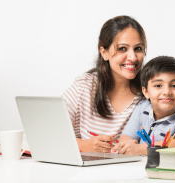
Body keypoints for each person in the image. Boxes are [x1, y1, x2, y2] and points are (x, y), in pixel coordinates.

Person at [62, 15, 147, 153]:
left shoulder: (149, 91)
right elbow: (50, 130)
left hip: (132, 170)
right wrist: (83, 145)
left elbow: (171, 125)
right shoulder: (85, 86)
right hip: (86, 171)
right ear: (104, 53)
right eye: (123, 49)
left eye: (138, 48)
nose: (133, 57)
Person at [112, 56, 175, 155]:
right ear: (145, 92)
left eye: (174, 86)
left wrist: (141, 149)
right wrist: (127, 144)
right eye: (158, 85)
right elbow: (127, 136)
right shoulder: (142, 107)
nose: (167, 92)